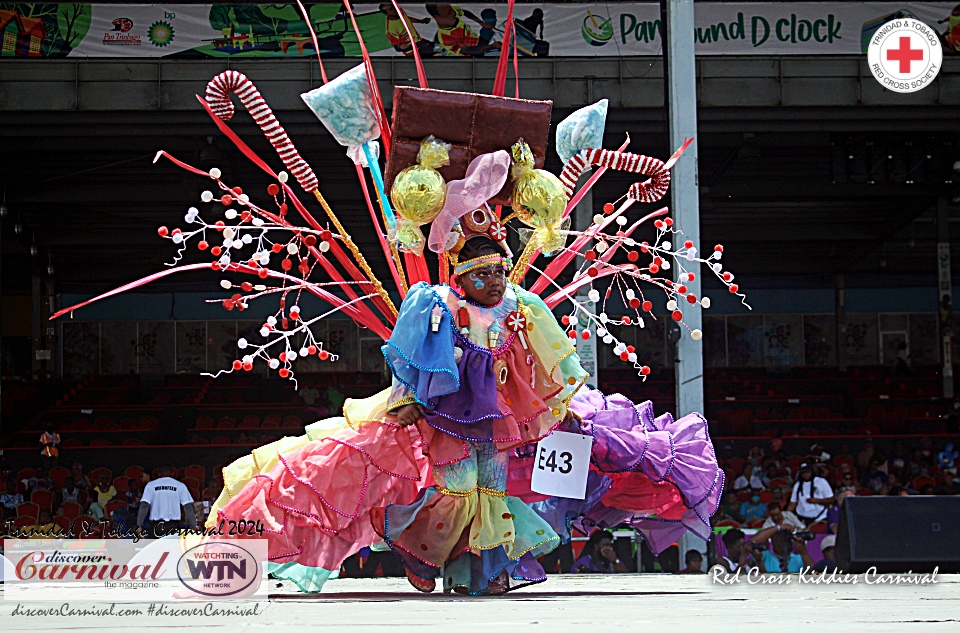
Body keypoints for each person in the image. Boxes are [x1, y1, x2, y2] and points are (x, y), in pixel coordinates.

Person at [209, 231, 721, 596]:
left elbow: (542, 363)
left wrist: (556, 409)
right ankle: (430, 555)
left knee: (492, 496)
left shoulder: (519, 306)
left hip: (497, 426)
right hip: (443, 422)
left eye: (501, 270)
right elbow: (412, 361)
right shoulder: (435, 304)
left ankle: (486, 574)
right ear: (463, 275)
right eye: (485, 274)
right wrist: (407, 400)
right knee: (453, 494)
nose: (497, 281)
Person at [138, 465, 196, 535]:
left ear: (158, 474)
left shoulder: (151, 485)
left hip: (155, 526)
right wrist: (193, 526)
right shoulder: (180, 485)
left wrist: (139, 525)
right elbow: (188, 507)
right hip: (173, 526)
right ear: (172, 473)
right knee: (171, 546)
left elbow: (144, 505)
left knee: (155, 546)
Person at [425, 4, 500, 56]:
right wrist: (493, 46)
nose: (454, 13)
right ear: (437, 18)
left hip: (480, 40)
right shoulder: (444, 38)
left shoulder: (452, 12)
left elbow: (465, 12)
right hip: (474, 53)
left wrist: (481, 23)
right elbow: (470, 51)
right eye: (449, 13)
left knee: (488, 13)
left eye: (452, 10)